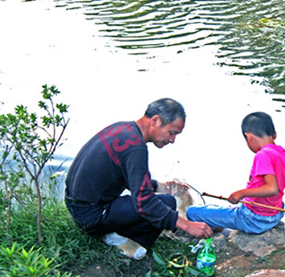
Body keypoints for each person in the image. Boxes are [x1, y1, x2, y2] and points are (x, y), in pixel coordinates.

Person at [65, 98, 213, 260]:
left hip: (77, 205)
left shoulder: (123, 129)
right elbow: (145, 202)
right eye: (171, 133)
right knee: (166, 204)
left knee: (164, 202)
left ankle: (112, 230)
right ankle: (117, 237)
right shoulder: (136, 148)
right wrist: (187, 225)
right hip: (92, 216)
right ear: (155, 120)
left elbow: (130, 176)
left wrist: (159, 186)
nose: (172, 140)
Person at [186, 111, 285, 234]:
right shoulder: (283, 153)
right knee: (216, 209)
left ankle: (222, 233)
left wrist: (240, 193)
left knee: (192, 212)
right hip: (274, 214)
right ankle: (222, 224)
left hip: (254, 219)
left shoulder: (263, 155)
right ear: (275, 135)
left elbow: (272, 189)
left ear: (249, 137)